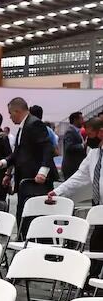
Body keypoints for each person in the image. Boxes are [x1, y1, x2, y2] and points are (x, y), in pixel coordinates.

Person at [0, 97, 57, 230]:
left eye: (10, 114)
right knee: (23, 214)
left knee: (34, 217)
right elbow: (18, 153)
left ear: (17, 111)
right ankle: (23, 240)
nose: (10, 117)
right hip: (24, 181)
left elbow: (47, 148)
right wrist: (4, 163)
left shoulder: (34, 124)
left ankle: (33, 243)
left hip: (35, 181)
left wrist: (43, 172)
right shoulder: (23, 127)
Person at [51, 115, 103, 274]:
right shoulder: (94, 153)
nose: (87, 139)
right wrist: (58, 191)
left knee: (97, 242)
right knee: (96, 242)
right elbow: (79, 176)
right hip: (98, 206)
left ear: (100, 133)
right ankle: (92, 280)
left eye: (90, 135)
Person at [63, 111, 87, 181]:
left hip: (76, 165)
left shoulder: (77, 131)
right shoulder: (70, 132)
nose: (83, 121)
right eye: (81, 119)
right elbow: (69, 147)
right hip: (71, 167)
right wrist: (83, 145)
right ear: (75, 120)